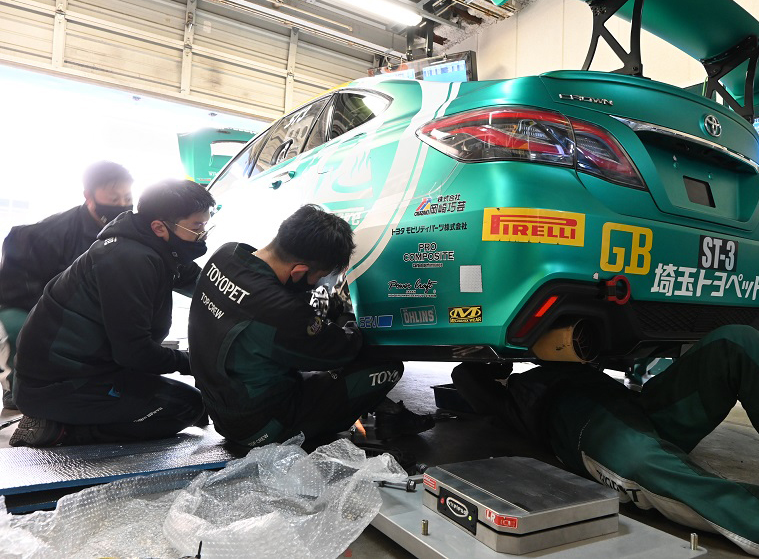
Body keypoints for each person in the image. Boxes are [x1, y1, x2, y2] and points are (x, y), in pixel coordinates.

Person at [452, 325, 759, 559]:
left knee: (739, 343)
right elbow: (464, 378)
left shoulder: (566, 364)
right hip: (586, 428)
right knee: (644, 461)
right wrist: (487, 353)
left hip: (640, 408)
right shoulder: (513, 398)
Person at [188, 204, 434, 448]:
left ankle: (384, 412)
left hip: (220, 411)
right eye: (319, 277)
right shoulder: (280, 310)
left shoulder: (226, 254)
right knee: (386, 366)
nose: (318, 283)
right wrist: (348, 321)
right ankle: (374, 420)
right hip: (261, 427)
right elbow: (341, 350)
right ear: (299, 271)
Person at [9, 179, 215, 447]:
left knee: (191, 403)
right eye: (197, 227)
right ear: (159, 227)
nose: (203, 234)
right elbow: (134, 353)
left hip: (86, 370)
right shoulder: (130, 260)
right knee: (184, 407)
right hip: (57, 385)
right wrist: (193, 361)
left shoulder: (156, 247)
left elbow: (202, 285)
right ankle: (58, 429)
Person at [0, 161, 134, 410]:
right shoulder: (47, 235)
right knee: (23, 327)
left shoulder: (129, 230)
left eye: (127, 198)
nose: (122, 205)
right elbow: (17, 291)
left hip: (85, 306)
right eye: (114, 198)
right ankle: (18, 386)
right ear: (89, 197)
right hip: (31, 303)